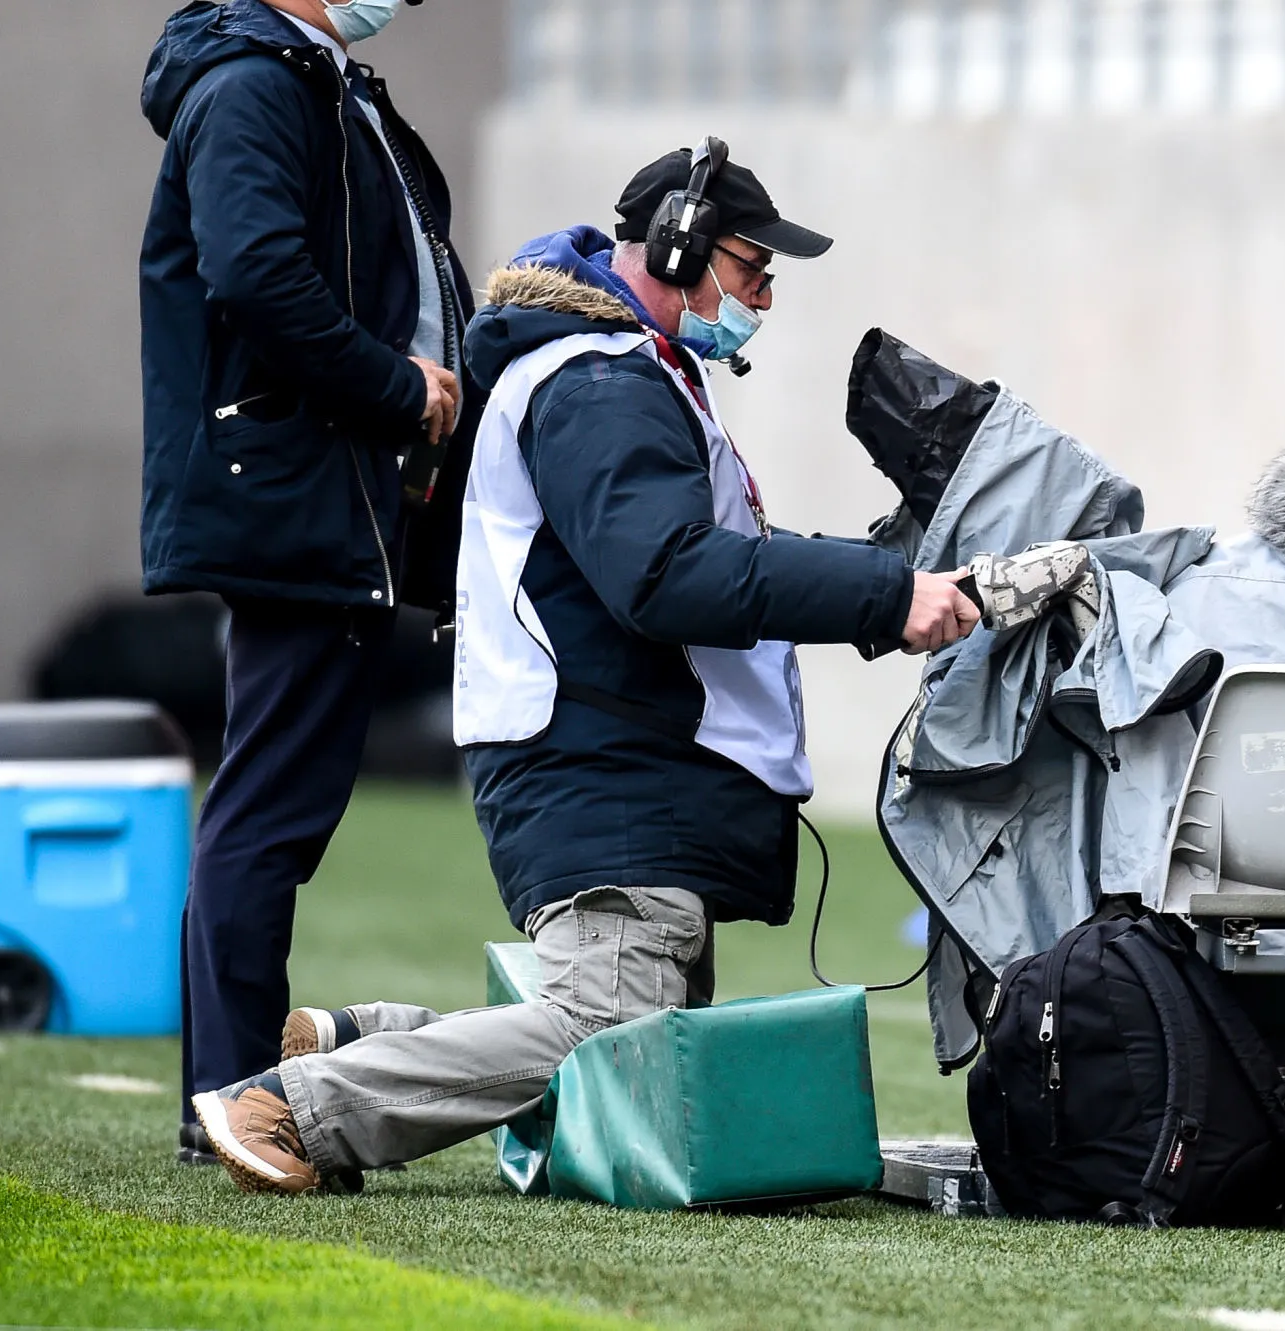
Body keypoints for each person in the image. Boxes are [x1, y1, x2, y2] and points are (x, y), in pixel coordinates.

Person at [190, 144, 979, 1194]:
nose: (764, 296)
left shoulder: (619, 372)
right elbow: (664, 573)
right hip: (605, 758)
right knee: (607, 1031)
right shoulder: (601, 381)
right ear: (679, 245)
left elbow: (689, 550)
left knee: (629, 1039)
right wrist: (882, 593)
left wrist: (880, 578)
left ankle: (350, 1039)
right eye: (750, 268)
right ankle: (301, 1107)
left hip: (609, 753)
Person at [140, 0, 478, 1166]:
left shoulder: (318, 79)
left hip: (330, 494)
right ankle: (230, 1101)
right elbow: (257, 275)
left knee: (274, 804)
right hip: (292, 491)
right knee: (264, 809)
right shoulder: (251, 84)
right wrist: (396, 385)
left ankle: (229, 1088)